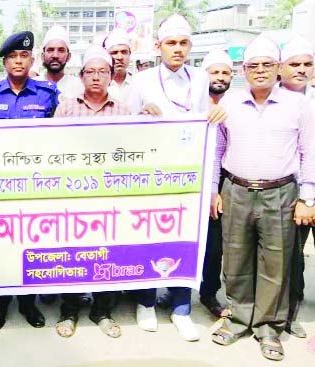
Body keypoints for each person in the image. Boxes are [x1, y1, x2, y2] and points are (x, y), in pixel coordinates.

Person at [209, 35, 315, 361]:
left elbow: (309, 152)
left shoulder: (299, 105)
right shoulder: (228, 104)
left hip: (281, 192)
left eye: (267, 65)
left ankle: (269, 326)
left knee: (275, 263)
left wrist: (307, 198)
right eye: (253, 65)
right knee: (236, 258)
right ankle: (239, 318)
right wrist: (214, 189)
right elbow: (217, 150)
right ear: (243, 69)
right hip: (236, 190)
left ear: (278, 68)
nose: (260, 71)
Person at [126, 13, 226, 342]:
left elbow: (204, 127)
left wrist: (211, 117)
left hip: (187, 178)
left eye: (183, 43)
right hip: (148, 178)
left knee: (185, 238)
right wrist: (141, 118)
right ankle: (145, 302)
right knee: (147, 237)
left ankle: (182, 308)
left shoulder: (199, 80)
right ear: (158, 47)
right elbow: (125, 132)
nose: (177, 49)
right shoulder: (141, 82)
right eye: (171, 43)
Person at [0, 30, 58, 329]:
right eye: (12, 56)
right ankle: (0, 302)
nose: (18, 61)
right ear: (4, 61)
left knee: (31, 244)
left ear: (32, 59)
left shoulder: (47, 94)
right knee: (0, 245)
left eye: (24, 55)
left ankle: (28, 303)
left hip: (33, 187)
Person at [52, 45, 128, 338]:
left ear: (111, 76)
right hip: (74, 194)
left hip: (109, 196)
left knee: (107, 253)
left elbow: (135, 151)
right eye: (91, 72)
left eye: (103, 72)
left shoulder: (123, 111)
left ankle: (102, 311)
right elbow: (53, 150)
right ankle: (69, 311)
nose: (96, 77)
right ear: (81, 75)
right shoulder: (67, 107)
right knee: (73, 254)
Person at [278, 35, 315, 340]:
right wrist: (306, 197)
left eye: (307, 64)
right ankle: (290, 313)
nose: (302, 69)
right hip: (294, 191)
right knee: (292, 257)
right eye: (295, 64)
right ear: (281, 68)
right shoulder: (271, 99)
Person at [198, 49, 233, 318]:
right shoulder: (192, 102)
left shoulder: (236, 105)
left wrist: (214, 190)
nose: (220, 77)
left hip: (221, 181)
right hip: (187, 176)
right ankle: (173, 293)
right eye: (215, 71)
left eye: (225, 72)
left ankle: (209, 293)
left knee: (215, 244)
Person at [35, 25, 83, 101]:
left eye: (61, 50)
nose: (55, 55)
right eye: (50, 50)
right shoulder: (32, 86)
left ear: (68, 56)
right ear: (42, 56)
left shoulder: (80, 88)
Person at [104, 29, 133, 102]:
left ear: (130, 53)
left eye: (124, 52)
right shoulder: (98, 85)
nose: (119, 57)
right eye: (114, 53)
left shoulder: (138, 84)